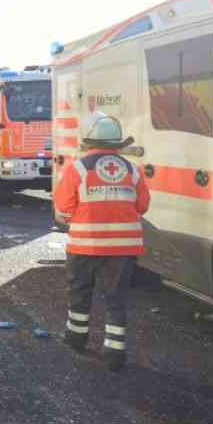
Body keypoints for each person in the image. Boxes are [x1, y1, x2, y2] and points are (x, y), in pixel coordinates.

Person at [53, 113, 149, 372]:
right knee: (116, 297)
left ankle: (76, 339)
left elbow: (63, 207)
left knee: (80, 292)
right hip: (124, 248)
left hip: (86, 245)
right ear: (118, 144)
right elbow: (143, 206)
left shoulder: (78, 168)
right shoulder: (133, 170)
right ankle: (115, 352)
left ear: (89, 141)